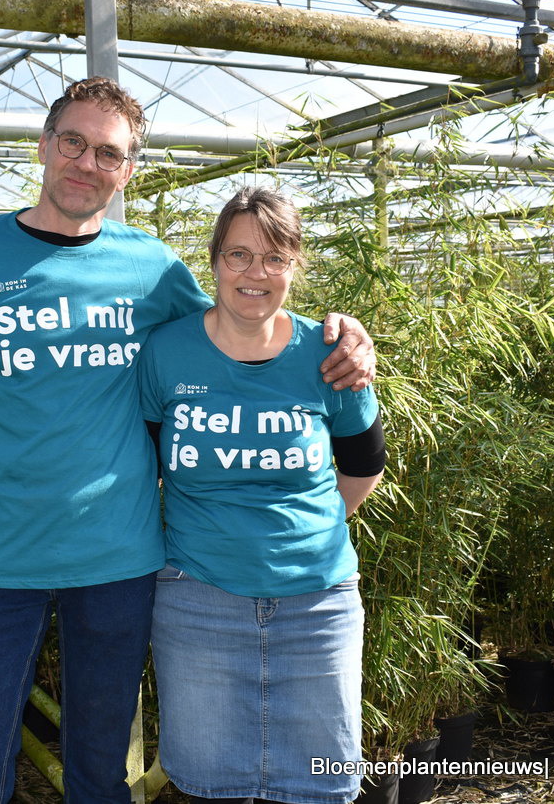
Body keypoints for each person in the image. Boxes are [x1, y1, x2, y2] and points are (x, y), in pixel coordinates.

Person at [0, 78, 376, 803]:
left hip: (118, 562)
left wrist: (342, 337)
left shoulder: (151, 268)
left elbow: (241, 321)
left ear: (127, 171)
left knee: (100, 771)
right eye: (74, 142)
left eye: (109, 153)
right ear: (44, 145)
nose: (87, 163)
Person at [139, 187, 386, 804]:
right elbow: (144, 469)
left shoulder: (330, 354)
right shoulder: (167, 353)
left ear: (295, 265)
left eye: (275, 257)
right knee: (210, 784)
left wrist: (303, 534)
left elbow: (364, 466)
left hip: (318, 606)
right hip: (197, 600)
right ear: (215, 260)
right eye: (239, 255)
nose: (256, 273)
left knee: (318, 785)